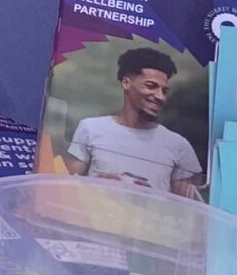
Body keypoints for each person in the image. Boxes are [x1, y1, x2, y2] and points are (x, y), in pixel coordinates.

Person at [66, 47, 202, 195]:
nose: (160, 96)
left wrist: (150, 198)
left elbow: (185, 211)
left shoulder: (178, 146)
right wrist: (99, 182)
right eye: (151, 86)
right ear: (126, 83)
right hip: (96, 216)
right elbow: (68, 191)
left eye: (164, 90)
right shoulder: (90, 129)